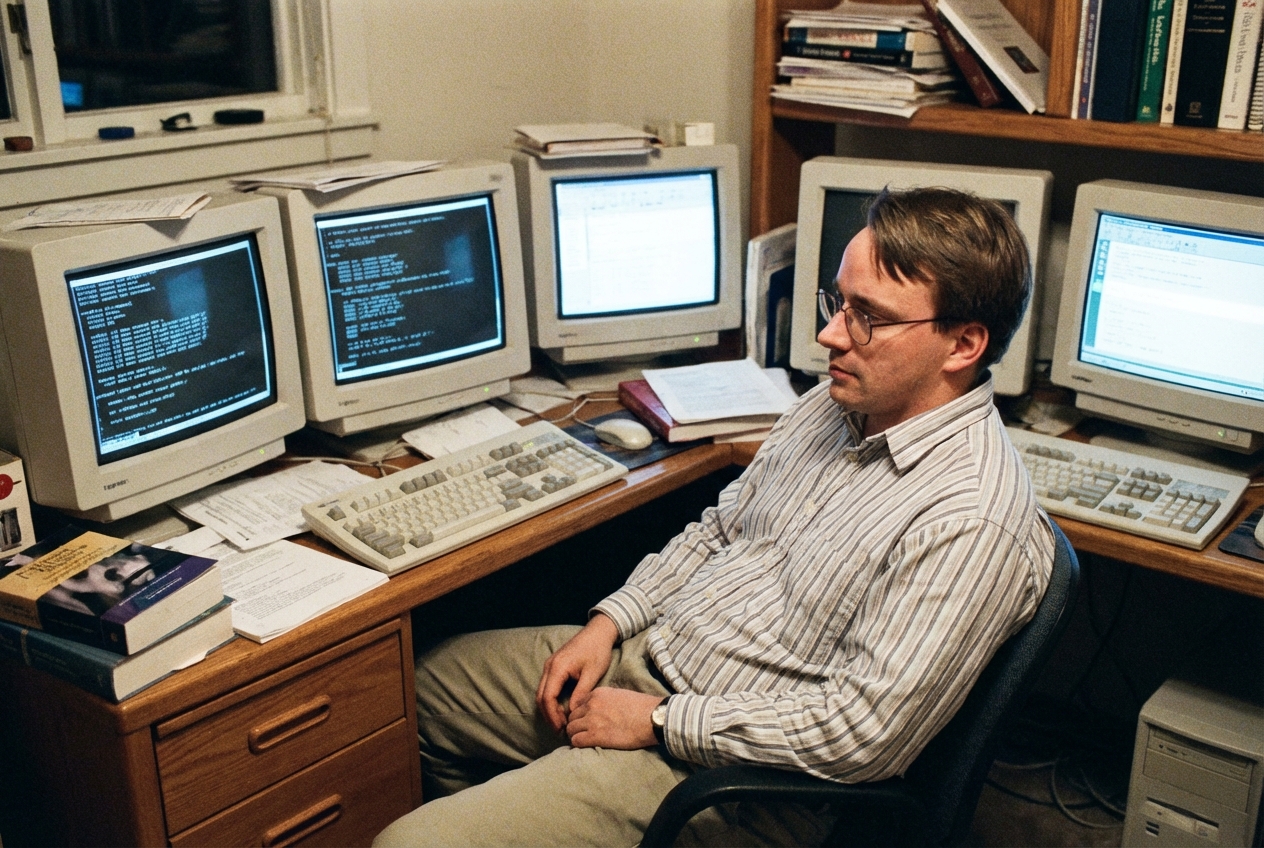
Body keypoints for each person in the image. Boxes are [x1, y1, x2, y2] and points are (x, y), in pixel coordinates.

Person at [373, 186, 1055, 847]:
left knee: (409, 843)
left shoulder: (972, 519)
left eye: (866, 317)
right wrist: (608, 623)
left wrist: (663, 722)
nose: (829, 334)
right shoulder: (841, 401)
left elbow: (859, 735)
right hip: (655, 661)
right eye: (837, 303)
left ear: (964, 345)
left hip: (733, 777)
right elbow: (722, 530)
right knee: (419, 695)